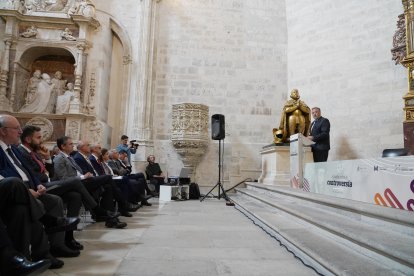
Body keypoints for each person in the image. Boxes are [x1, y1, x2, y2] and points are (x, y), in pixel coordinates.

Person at [0, 115, 80, 260]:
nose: (20, 131)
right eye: (16, 128)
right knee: (17, 188)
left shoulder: (14, 149)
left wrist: (38, 184)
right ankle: (47, 226)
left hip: (30, 189)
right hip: (12, 190)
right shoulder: (16, 149)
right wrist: (27, 189)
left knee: (55, 200)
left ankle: (54, 248)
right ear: (3, 131)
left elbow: (29, 172)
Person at [53, 136, 129, 228]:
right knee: (107, 178)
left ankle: (111, 219)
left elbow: (78, 172)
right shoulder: (59, 158)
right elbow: (63, 179)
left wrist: (85, 176)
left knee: (108, 187)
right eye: (71, 144)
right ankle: (120, 204)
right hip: (76, 184)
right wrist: (83, 176)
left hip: (82, 181)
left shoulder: (70, 157)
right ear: (63, 146)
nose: (73, 146)